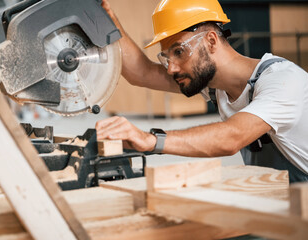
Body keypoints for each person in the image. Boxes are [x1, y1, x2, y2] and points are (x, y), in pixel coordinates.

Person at [96, 0, 308, 182]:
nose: (171, 68)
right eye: (167, 57)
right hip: (281, 200)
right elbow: (141, 73)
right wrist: (104, 18)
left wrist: (150, 139)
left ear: (211, 40)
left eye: (179, 51)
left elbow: (231, 137)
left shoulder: (283, 81)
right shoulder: (216, 87)